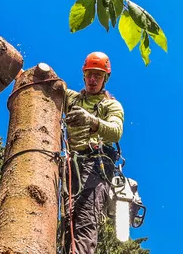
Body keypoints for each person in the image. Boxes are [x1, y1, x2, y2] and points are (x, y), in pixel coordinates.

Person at [62, 51, 124, 254]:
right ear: (83, 75)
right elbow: (49, 83)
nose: (92, 79)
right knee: (68, 221)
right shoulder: (71, 99)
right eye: (89, 74)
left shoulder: (111, 105)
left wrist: (92, 121)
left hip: (96, 166)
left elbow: (116, 132)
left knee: (85, 219)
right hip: (71, 166)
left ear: (105, 78)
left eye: (98, 75)